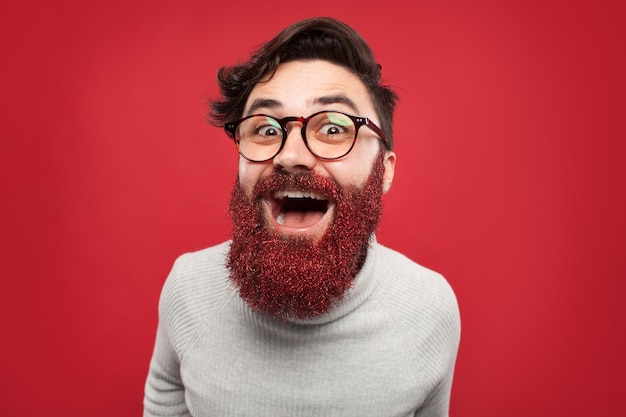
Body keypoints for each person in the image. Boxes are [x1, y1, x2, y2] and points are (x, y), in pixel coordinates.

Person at [143, 16, 461, 417]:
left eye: (333, 129)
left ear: (385, 171)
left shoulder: (430, 307)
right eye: (266, 129)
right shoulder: (188, 290)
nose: (290, 156)